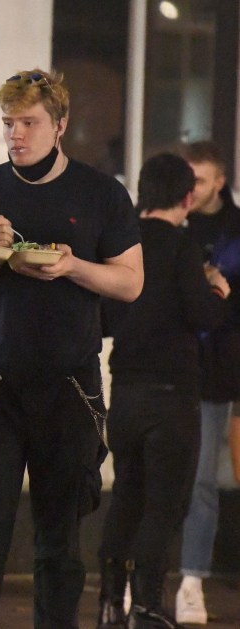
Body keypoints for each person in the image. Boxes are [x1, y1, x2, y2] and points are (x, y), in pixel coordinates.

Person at [0, 68, 144, 629]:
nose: (16, 135)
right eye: (9, 123)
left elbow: (130, 281)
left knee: (60, 541)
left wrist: (73, 265)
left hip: (69, 384)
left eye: (29, 123)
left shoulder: (100, 193)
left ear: (60, 125)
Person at [97, 153, 230, 629]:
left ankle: (111, 603)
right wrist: (217, 289)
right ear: (188, 197)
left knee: (127, 497)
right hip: (172, 394)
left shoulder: (121, 243)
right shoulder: (181, 246)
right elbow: (202, 316)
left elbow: (108, 315)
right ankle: (148, 606)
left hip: (126, 390)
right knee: (165, 503)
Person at [174, 141, 240, 625]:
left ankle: (192, 579)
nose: (190, 190)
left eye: (199, 180)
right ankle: (146, 576)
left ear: (220, 181)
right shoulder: (169, 223)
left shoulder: (235, 231)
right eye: (185, 180)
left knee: (201, 479)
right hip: (168, 363)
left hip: (216, 367)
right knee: (157, 473)